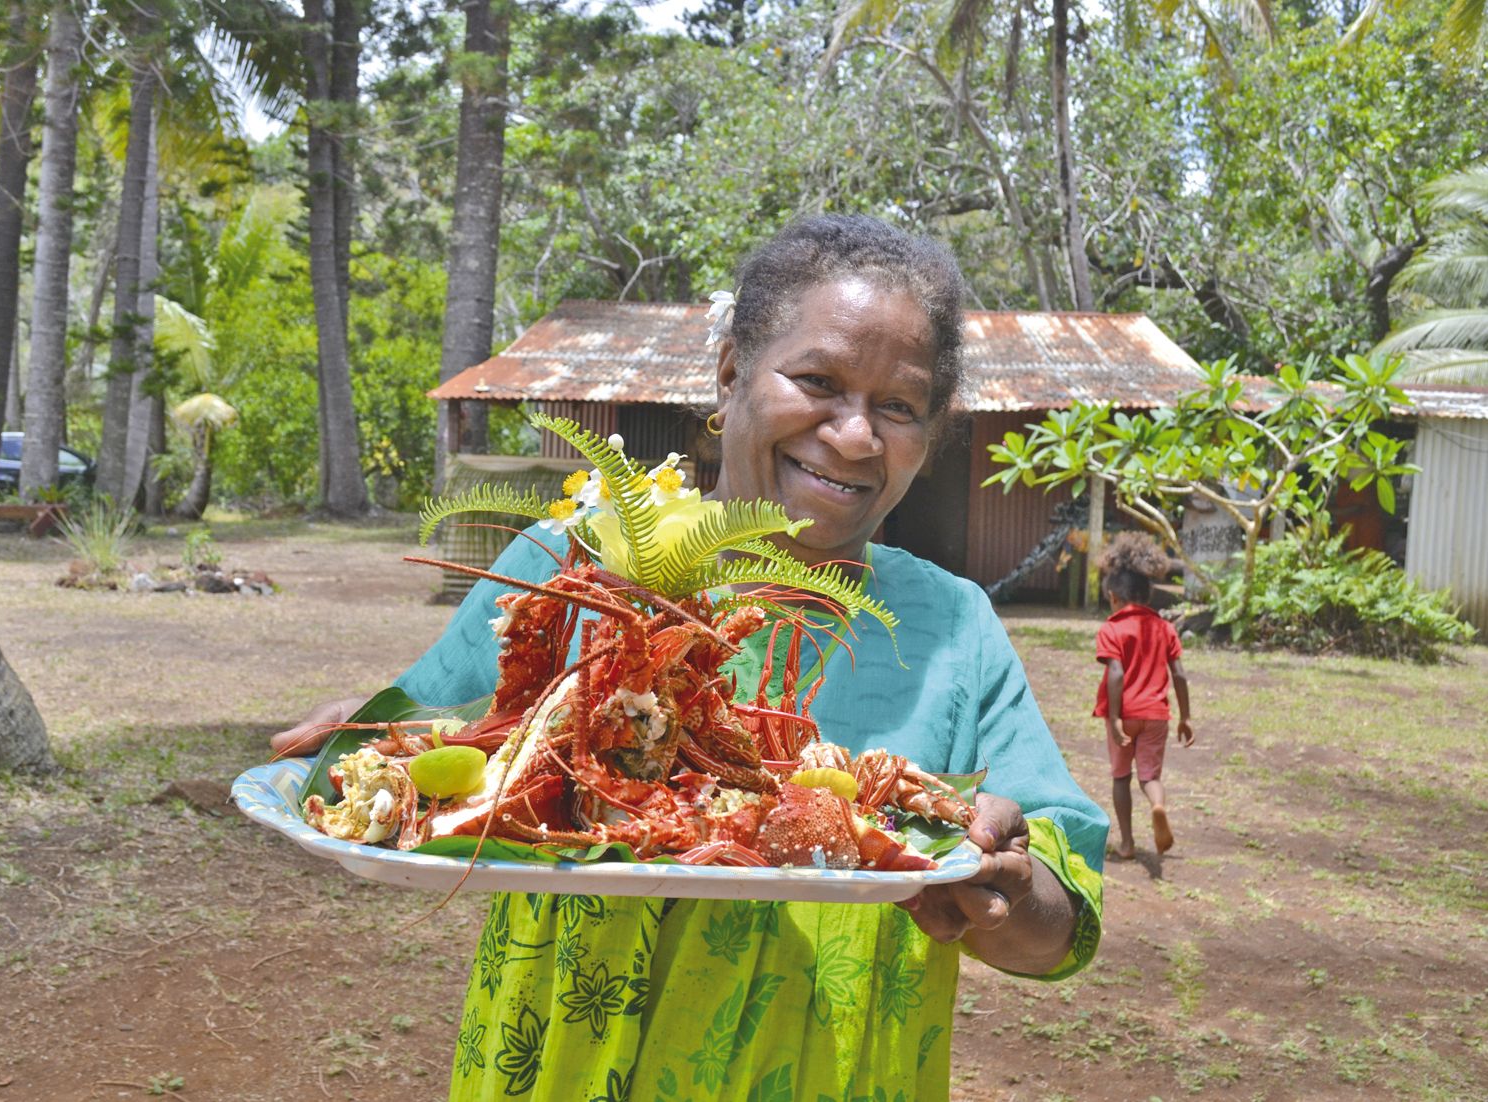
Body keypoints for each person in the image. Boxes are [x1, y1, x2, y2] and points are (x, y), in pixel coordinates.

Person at [273, 215, 1107, 1100]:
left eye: (897, 407)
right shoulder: (575, 568)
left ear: (929, 436)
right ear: (730, 373)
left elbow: (1058, 920)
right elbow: (439, 753)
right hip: (568, 1064)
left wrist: (1000, 894)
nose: (856, 435)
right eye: (817, 379)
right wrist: (375, 752)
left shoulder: (953, 626)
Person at [1091, 532, 1194, 860]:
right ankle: (1158, 804)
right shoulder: (1165, 628)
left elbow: (1117, 674)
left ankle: (1127, 843)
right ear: (1148, 595)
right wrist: (1186, 717)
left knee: (1121, 777)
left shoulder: (1112, 628)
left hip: (1124, 715)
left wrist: (1117, 716)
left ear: (1112, 596)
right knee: (1150, 776)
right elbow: (1178, 674)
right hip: (1156, 714)